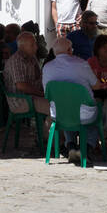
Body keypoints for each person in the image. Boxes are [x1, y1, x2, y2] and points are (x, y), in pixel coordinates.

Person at [41, 36, 101, 165]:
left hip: (59, 114)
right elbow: (97, 86)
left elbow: (46, 93)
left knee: (66, 108)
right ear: (69, 50)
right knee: (98, 118)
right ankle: (85, 148)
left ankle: (71, 147)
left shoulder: (47, 67)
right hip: (83, 114)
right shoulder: (81, 64)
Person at [3, 30, 50, 120]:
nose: (36, 47)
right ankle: (47, 133)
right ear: (22, 47)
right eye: (32, 45)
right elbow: (22, 86)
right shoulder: (16, 61)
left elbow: (39, 77)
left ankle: (48, 132)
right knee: (55, 108)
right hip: (20, 101)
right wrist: (41, 94)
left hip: (31, 97)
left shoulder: (32, 57)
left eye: (35, 44)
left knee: (59, 103)